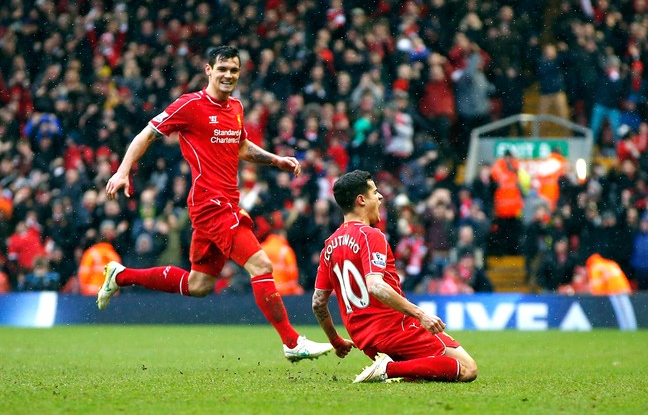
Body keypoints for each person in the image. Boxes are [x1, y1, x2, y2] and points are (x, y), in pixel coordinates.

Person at [100, 46, 331, 361]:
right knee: (261, 265)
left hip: (225, 204)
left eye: (234, 70)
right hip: (211, 204)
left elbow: (242, 146)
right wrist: (123, 171)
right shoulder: (190, 105)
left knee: (199, 285)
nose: (228, 75)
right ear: (208, 70)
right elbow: (146, 134)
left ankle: (120, 276)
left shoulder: (235, 106)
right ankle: (292, 342)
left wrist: (276, 160)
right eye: (222, 69)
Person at [311, 170, 477, 383]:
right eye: (375, 192)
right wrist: (421, 315)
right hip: (395, 330)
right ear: (361, 200)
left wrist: (336, 341)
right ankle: (388, 369)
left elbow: (318, 303)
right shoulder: (370, 235)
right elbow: (375, 286)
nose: (380, 197)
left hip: (365, 339)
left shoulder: (329, 246)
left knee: (422, 373)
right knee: (467, 369)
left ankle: (394, 368)